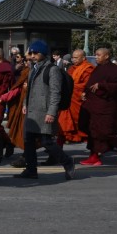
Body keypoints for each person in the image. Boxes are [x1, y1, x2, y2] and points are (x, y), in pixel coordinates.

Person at [14, 40, 75, 180]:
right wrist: (25, 104)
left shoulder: (52, 70)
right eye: (31, 53)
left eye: (36, 53)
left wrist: (52, 112)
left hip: (44, 111)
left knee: (47, 142)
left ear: (43, 54)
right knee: (28, 141)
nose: (33, 55)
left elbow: (55, 92)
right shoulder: (33, 69)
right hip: (32, 110)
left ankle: (67, 161)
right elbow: (29, 90)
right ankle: (31, 169)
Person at [78, 48, 117, 166]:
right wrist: (85, 93)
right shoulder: (98, 69)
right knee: (91, 130)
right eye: (96, 55)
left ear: (106, 56)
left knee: (104, 132)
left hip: (106, 105)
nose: (96, 57)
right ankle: (94, 156)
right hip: (92, 104)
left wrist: (102, 85)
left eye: (98, 55)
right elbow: (90, 84)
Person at [58, 49, 92, 144]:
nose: (73, 59)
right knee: (63, 124)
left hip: (78, 99)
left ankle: (95, 152)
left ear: (83, 58)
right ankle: (56, 153)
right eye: (73, 57)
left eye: (76, 58)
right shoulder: (72, 68)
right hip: (69, 99)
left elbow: (87, 85)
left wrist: (71, 86)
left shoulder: (88, 68)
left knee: (83, 126)